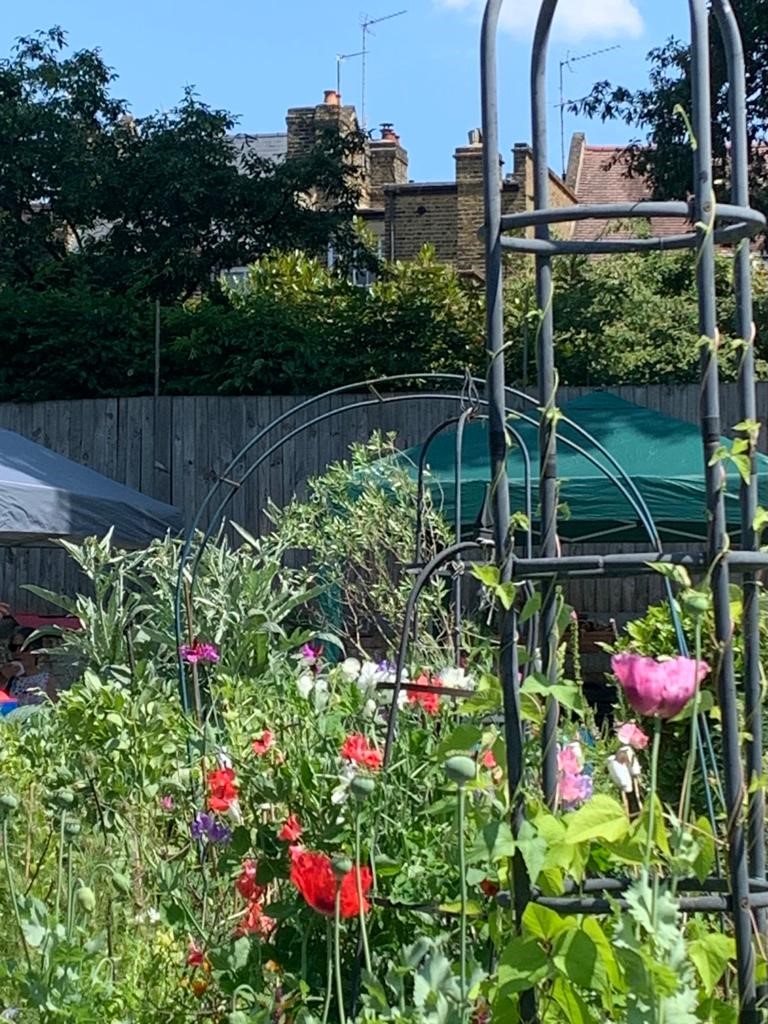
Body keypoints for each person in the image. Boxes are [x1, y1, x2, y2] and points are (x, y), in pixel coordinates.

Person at [0, 628, 58, 704]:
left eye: (23, 648)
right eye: (13, 648)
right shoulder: (8, 679)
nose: (17, 652)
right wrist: (3, 677)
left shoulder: (46, 680)